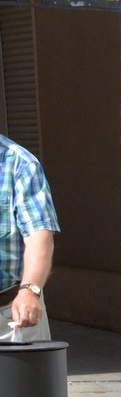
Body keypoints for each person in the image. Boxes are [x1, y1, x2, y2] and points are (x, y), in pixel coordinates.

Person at [0, 132, 58, 341]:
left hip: (9, 316)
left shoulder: (19, 163)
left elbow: (39, 233)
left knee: (24, 374)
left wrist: (30, 291)